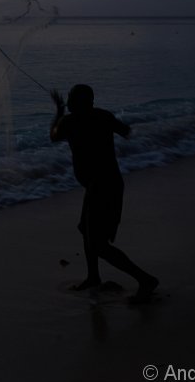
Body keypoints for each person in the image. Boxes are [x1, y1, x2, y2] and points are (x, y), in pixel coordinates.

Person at [50, 84, 158, 301]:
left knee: (98, 244)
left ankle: (145, 280)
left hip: (101, 189)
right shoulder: (103, 116)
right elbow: (126, 131)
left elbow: (53, 136)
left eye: (71, 99)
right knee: (86, 230)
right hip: (109, 184)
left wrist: (59, 110)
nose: (69, 102)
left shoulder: (70, 122)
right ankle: (93, 276)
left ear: (80, 103)